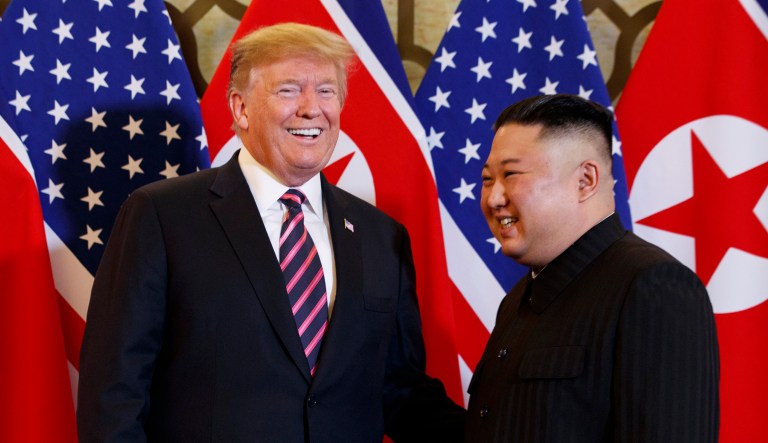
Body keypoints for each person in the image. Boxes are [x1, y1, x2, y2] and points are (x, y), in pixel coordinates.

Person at [77, 23, 464, 443]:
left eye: (327, 91)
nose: (311, 108)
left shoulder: (381, 236)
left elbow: (399, 389)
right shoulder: (162, 216)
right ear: (241, 109)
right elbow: (116, 394)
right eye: (288, 90)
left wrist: (514, 423)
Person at [466, 94, 719, 442]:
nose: (493, 198)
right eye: (487, 179)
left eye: (510, 174)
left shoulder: (653, 286)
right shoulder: (517, 301)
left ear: (585, 180)